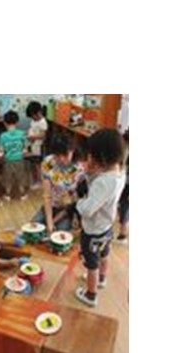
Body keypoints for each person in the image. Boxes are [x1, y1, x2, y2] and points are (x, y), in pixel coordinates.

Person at [75, 128, 126, 307]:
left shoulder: (103, 182)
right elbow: (101, 195)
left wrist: (78, 202)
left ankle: (91, 294)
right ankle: (101, 279)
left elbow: (87, 209)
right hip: (106, 226)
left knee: (91, 264)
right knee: (104, 254)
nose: (90, 158)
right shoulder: (120, 172)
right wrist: (90, 175)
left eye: (92, 155)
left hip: (93, 230)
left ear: (102, 157)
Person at [32, 133, 85, 234]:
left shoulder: (80, 169)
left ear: (72, 150)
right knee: (33, 227)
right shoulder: (48, 163)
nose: (61, 159)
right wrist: (50, 223)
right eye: (57, 155)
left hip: (67, 210)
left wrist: (53, 222)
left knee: (60, 232)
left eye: (65, 155)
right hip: (50, 205)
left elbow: (74, 202)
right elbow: (47, 196)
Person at [0, 110, 28, 201]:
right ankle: (23, 195)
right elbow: (25, 148)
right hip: (19, 159)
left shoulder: (3, 136)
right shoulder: (22, 133)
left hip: (8, 160)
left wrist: (0, 155)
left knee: (8, 177)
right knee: (21, 176)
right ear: (17, 122)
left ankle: (7, 195)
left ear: (4, 122)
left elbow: (1, 150)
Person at [25, 101, 48, 188]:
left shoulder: (42, 122)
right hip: (33, 146)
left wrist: (33, 137)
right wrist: (28, 133)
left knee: (38, 165)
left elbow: (43, 135)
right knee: (33, 165)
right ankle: (35, 180)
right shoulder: (33, 120)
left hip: (39, 147)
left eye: (33, 116)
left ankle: (40, 181)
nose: (32, 118)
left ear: (39, 112)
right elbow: (31, 128)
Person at [116, 130, 129, 243]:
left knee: (124, 208)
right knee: (122, 206)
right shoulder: (125, 151)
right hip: (123, 181)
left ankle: (123, 233)